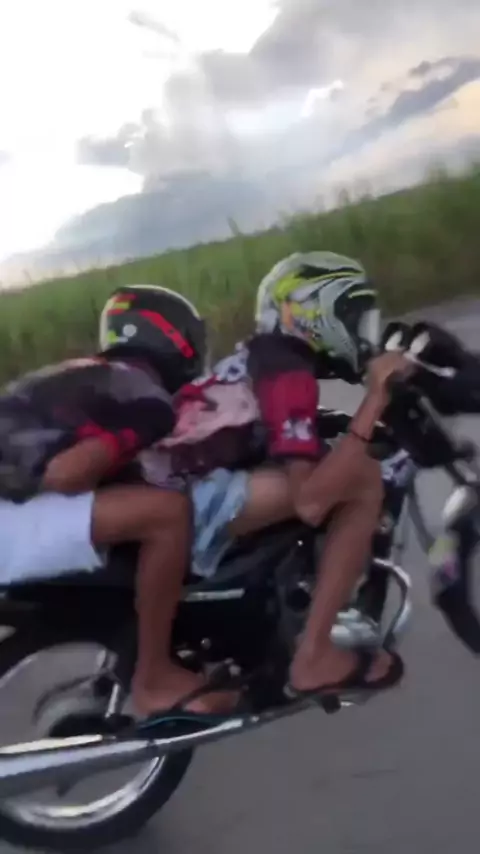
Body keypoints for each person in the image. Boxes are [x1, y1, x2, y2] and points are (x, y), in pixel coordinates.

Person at [154, 251, 413, 703]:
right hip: (186, 501)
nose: (362, 333)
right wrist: (375, 398)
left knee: (331, 462)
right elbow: (311, 502)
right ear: (314, 314)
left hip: (175, 488)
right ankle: (314, 656)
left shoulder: (268, 358)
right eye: (353, 318)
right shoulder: (288, 372)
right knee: (360, 480)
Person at [0, 284, 215, 718]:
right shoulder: (147, 399)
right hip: (9, 518)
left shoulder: (84, 374)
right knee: (168, 514)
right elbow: (67, 474)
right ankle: (154, 675)